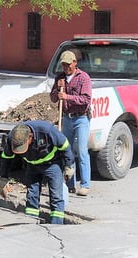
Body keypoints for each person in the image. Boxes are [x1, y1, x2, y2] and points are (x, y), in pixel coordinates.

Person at [0, 121, 75, 224]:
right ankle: (31, 222)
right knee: (32, 195)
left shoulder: (47, 131)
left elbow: (65, 146)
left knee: (56, 197)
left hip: (52, 164)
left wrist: (68, 166)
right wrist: (3, 178)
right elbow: (6, 158)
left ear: (30, 137)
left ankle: (56, 225)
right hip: (31, 165)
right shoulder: (12, 137)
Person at [49, 50, 92, 196]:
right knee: (67, 152)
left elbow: (86, 99)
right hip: (66, 118)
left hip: (81, 118)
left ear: (75, 63)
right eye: (63, 65)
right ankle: (69, 184)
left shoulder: (83, 78)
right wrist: (57, 90)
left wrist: (67, 96)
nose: (66, 67)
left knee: (81, 151)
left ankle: (85, 185)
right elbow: (53, 98)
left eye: (68, 64)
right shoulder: (60, 78)